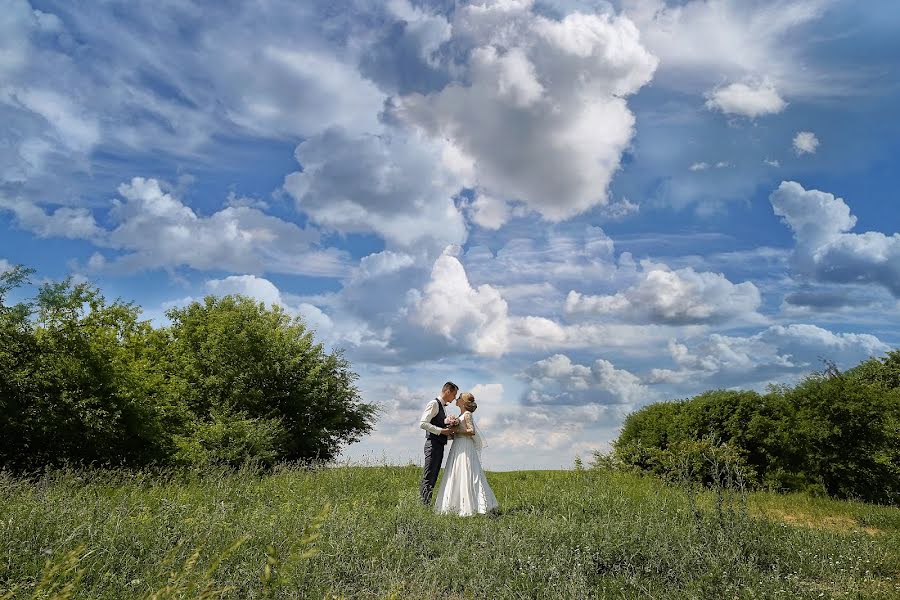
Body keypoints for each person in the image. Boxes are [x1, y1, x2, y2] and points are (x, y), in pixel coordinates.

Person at [433, 392, 499, 516]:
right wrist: (451, 432)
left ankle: (477, 505)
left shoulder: (467, 414)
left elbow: (471, 431)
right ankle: (456, 505)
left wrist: (456, 429)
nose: (456, 400)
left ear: (463, 402)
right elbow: (461, 431)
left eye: (459, 398)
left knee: (468, 471)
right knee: (457, 472)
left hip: (465, 446)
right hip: (458, 445)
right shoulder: (461, 414)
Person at [419, 381, 458, 505]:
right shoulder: (434, 403)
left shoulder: (442, 407)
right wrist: (442, 431)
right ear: (448, 391)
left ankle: (427, 503)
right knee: (429, 476)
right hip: (432, 445)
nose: (454, 399)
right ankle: (424, 505)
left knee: (434, 476)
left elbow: (439, 426)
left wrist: (450, 433)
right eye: (454, 395)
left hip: (439, 445)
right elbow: (423, 423)